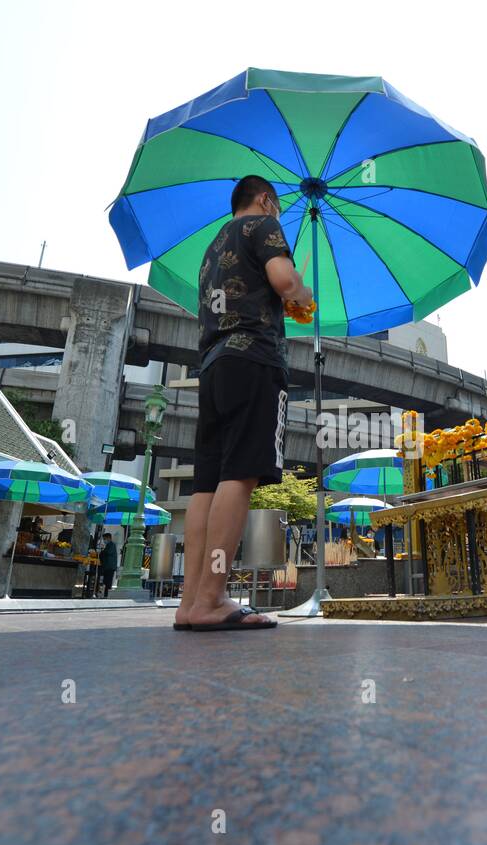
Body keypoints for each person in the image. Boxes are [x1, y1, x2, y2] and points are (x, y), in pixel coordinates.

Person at [175, 175, 312, 632]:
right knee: (239, 475)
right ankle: (213, 598)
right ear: (263, 199)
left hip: (214, 365)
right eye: (275, 205)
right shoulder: (263, 225)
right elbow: (282, 278)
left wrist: (281, 297)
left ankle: (190, 601)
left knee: (206, 485)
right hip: (254, 359)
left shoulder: (212, 248)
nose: (277, 212)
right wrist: (300, 292)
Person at [99, 532, 119, 598]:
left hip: (110, 567)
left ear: (109, 538)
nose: (104, 540)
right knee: (106, 581)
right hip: (108, 566)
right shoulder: (109, 545)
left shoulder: (111, 545)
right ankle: (105, 594)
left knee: (108, 581)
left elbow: (107, 552)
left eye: (105, 539)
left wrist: (102, 552)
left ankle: (106, 595)